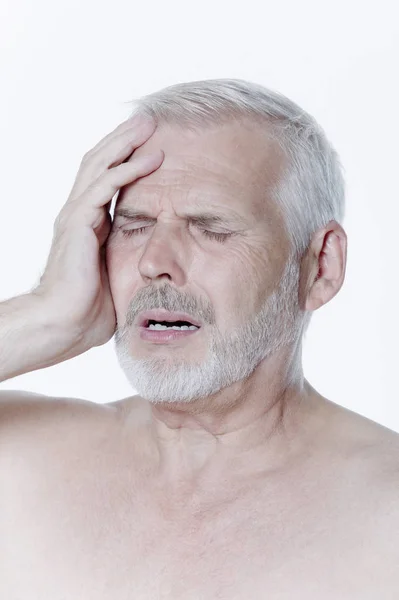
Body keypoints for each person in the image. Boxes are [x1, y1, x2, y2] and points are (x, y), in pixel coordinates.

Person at [0, 78, 398, 598]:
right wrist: (44, 317)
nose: (153, 264)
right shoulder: (19, 462)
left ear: (320, 265)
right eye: (135, 225)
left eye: (211, 228)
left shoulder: (384, 515)